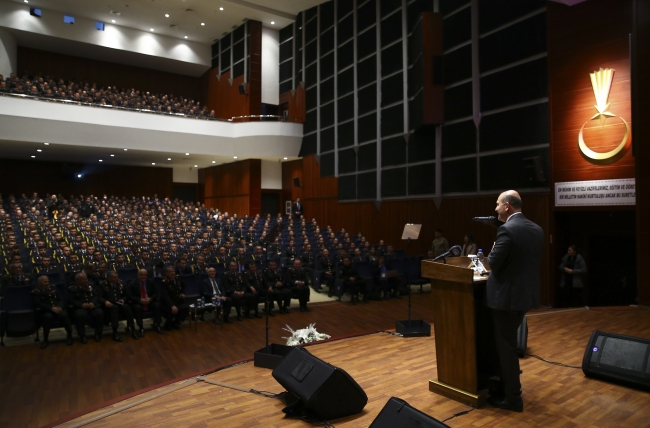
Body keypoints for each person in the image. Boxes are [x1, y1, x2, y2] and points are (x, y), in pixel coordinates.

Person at [486, 190, 544, 412]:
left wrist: (493, 247)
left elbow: (493, 262)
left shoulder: (507, 230)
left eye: (498, 205)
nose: (496, 209)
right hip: (525, 297)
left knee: (507, 347)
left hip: (506, 299)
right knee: (508, 343)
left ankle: (512, 398)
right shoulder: (537, 229)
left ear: (507, 206)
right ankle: (505, 387)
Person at [32, 275, 73, 349]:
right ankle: (45, 339)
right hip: (47, 311)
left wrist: (60, 307)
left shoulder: (54, 288)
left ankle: (69, 336)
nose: (47, 283)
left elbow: (61, 299)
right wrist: (51, 308)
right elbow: (38, 304)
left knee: (64, 315)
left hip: (58, 309)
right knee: (48, 317)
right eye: (45, 282)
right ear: (39, 283)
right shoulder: (35, 292)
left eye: (48, 281)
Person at [102, 271, 139, 341]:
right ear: (109, 279)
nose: (117, 278)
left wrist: (123, 299)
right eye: (115, 277)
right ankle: (115, 331)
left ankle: (133, 329)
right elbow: (99, 297)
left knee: (127, 307)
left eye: (117, 277)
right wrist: (105, 301)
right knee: (114, 308)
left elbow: (126, 294)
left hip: (120, 303)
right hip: (110, 305)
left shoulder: (121, 283)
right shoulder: (103, 285)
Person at [69, 272, 104, 343]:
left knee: (100, 313)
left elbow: (96, 295)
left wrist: (93, 303)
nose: (86, 280)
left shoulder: (91, 285)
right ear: (78, 281)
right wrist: (81, 305)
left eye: (86, 279)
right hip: (80, 307)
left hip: (92, 306)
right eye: (84, 279)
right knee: (79, 315)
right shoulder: (72, 289)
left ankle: (98, 333)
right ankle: (82, 335)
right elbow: (71, 300)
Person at [127, 269, 163, 335]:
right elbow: (129, 296)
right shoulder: (132, 284)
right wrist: (140, 300)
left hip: (149, 302)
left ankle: (157, 325)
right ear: (138, 275)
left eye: (145, 275)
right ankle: (141, 327)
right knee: (137, 308)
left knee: (157, 305)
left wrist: (150, 299)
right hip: (138, 302)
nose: (143, 277)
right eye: (141, 275)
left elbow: (155, 293)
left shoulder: (150, 282)